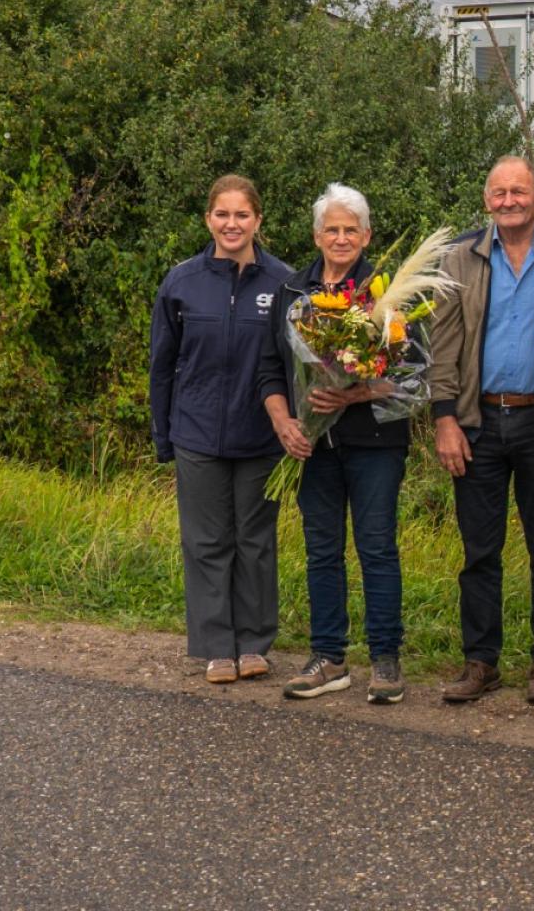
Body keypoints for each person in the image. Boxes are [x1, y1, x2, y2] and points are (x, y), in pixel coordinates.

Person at [427, 156, 534, 706]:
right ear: (487, 200)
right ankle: (481, 662)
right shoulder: (460, 258)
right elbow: (441, 346)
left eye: (519, 191)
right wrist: (445, 418)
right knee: (479, 551)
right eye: (498, 192)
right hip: (478, 421)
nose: (508, 201)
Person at [258, 183, 409, 705]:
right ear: (316, 236)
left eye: (351, 229)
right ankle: (329, 657)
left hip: (375, 443)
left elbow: (411, 376)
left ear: (367, 236)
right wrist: (285, 422)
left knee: (376, 547)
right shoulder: (292, 292)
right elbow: (269, 367)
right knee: (322, 550)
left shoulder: (386, 294)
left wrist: (355, 393)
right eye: (332, 229)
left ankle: (385, 659)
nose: (341, 238)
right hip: (311, 444)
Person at [150, 175, 294, 685]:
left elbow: (297, 366)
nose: (232, 224)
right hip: (196, 433)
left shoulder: (283, 282)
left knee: (255, 542)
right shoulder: (181, 282)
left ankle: (253, 643)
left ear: (258, 220)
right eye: (222, 214)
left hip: (261, 437)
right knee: (206, 541)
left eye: (242, 215)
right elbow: (162, 365)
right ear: (208, 218)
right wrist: (164, 434)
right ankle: (216, 647)